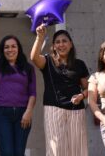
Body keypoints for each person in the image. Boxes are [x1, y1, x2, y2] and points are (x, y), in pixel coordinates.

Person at [0, 6, 36, 156]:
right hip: (2, 115)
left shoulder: (28, 68)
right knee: (6, 153)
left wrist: (28, 112)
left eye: (13, 46)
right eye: (6, 47)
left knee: (19, 153)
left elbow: (33, 93)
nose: (10, 49)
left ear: (18, 49)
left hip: (23, 114)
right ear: (2, 50)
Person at [30, 24, 89, 156]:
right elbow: (34, 57)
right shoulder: (48, 61)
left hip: (76, 110)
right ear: (54, 46)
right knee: (56, 150)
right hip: (53, 109)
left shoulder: (79, 64)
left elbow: (87, 88)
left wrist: (82, 95)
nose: (61, 44)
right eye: (57, 42)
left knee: (78, 150)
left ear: (71, 44)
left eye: (64, 41)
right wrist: (40, 37)